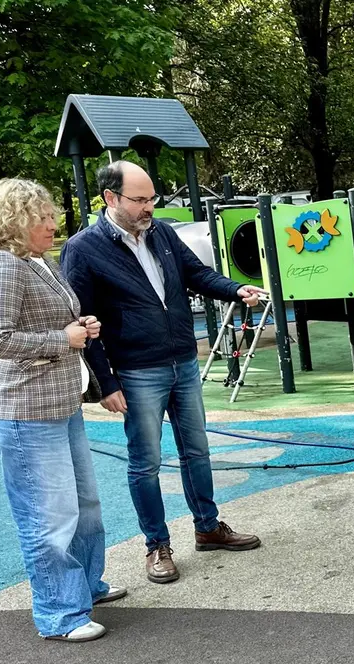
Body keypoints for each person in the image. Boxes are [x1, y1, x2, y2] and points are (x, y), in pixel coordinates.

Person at [61, 161, 266, 585]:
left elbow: (196, 274)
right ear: (110, 198)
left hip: (183, 361)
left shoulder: (163, 234)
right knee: (146, 462)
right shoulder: (84, 249)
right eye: (139, 200)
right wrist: (106, 383)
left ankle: (208, 527)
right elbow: (81, 320)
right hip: (137, 371)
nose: (148, 207)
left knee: (197, 450)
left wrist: (235, 289)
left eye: (152, 198)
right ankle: (156, 544)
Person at [0, 178, 126, 642]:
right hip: (23, 412)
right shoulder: (4, 264)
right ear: (15, 221)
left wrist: (80, 325)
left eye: (51, 216)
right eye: (41, 217)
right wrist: (63, 338)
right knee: (49, 515)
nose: (51, 224)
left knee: (86, 507)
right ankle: (61, 614)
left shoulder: (39, 263)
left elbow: (48, 321)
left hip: (59, 406)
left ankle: (86, 586)